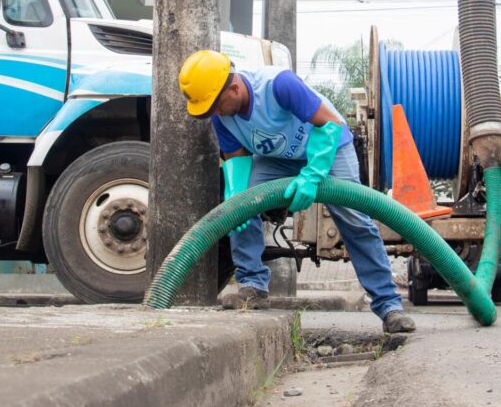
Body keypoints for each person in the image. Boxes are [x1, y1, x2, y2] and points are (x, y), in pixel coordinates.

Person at [178, 49, 416, 334]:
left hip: (329, 145)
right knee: (240, 205)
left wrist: (313, 175)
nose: (215, 112)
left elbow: (329, 125)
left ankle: (388, 305)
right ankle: (252, 286)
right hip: (279, 158)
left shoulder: (278, 85)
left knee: (354, 220)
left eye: (216, 104)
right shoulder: (221, 116)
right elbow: (237, 161)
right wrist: (236, 196)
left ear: (234, 87)